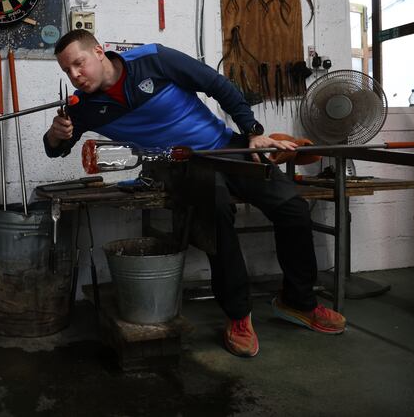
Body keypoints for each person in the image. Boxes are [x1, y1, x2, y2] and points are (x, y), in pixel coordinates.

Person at [44, 29, 345, 358]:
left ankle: (298, 301)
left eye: (79, 63)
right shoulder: (82, 107)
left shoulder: (153, 59)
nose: (74, 75)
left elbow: (217, 85)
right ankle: (238, 316)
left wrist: (252, 132)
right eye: (66, 71)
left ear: (99, 52)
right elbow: (56, 149)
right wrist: (56, 135)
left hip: (226, 147)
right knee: (217, 214)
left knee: (293, 208)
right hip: (180, 166)